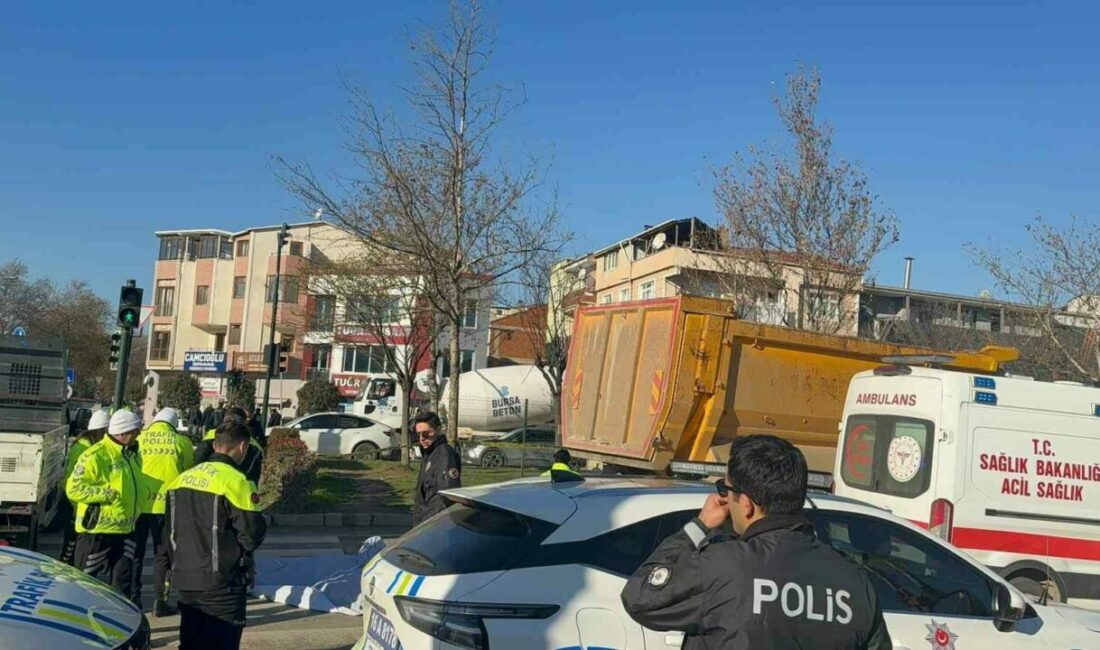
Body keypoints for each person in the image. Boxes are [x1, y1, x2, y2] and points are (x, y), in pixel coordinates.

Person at [621, 434, 891, 650]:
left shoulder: (725, 567)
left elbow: (640, 597)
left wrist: (698, 526)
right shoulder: (855, 583)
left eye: (725, 490)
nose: (725, 498)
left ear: (747, 504)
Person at [165, 419, 267, 650]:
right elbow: (251, 536)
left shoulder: (181, 479)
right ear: (243, 447)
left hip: (186, 579)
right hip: (222, 584)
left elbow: (168, 533)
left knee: (190, 644)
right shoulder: (237, 481)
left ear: (214, 445)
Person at [66, 409, 143, 600]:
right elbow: (73, 489)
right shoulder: (95, 456)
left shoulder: (131, 454)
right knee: (85, 585)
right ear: (123, 433)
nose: (139, 434)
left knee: (121, 587)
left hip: (124, 530)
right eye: (136, 430)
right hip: (97, 533)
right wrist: (106, 494)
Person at [133, 407, 194, 616]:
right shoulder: (182, 443)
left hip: (139, 505)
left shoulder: (139, 439)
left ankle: (133, 598)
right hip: (168, 506)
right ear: (174, 424)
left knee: (135, 552)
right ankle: (161, 600)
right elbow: (187, 473)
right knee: (163, 555)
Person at [59, 408, 110, 565]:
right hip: (76, 501)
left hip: (73, 498)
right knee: (72, 542)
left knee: (72, 540)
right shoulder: (87, 447)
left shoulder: (82, 443)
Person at [411, 411, 461, 524]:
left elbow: (448, 495)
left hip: (434, 523)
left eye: (426, 433)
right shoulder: (429, 454)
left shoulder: (444, 455)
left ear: (438, 430)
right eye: (418, 434)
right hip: (425, 520)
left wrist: (434, 524)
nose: (422, 438)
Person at [196, 407, 263, 484]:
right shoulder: (253, 444)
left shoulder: (212, 435)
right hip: (237, 486)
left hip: (206, 481)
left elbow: (198, 460)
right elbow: (253, 478)